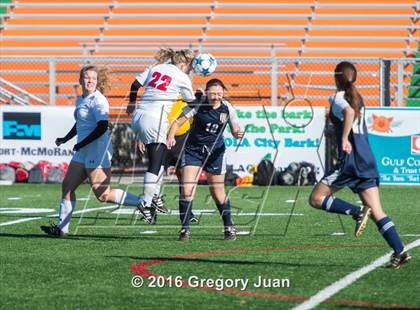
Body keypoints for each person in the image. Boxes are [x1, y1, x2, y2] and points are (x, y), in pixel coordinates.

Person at [308, 61, 411, 269]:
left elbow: (349, 114)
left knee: (316, 199)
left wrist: (344, 138)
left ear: (336, 77)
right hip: (366, 159)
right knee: (377, 211)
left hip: (351, 161)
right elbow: (353, 114)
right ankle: (400, 251)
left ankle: (356, 212)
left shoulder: (337, 97)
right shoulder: (358, 97)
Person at [41, 65, 143, 237]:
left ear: (97, 81)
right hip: (84, 150)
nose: (90, 81)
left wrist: (81, 144)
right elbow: (81, 123)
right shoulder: (81, 99)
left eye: (93, 78)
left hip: (97, 150)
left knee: (102, 194)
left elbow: (102, 127)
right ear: (80, 80)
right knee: (67, 187)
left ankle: (144, 203)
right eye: (87, 77)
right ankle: (62, 230)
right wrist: (66, 138)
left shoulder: (99, 100)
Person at [126, 48, 201, 224]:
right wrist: (198, 97)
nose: (189, 72)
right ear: (183, 65)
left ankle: (154, 197)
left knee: (157, 163)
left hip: (138, 117)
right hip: (156, 119)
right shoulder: (182, 77)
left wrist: (131, 103)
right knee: (156, 163)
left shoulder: (155, 68)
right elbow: (192, 104)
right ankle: (146, 202)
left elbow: (135, 85)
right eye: (189, 68)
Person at [167, 78, 244, 241]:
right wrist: (171, 136)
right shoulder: (198, 104)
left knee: (217, 192)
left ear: (223, 93)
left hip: (215, 153)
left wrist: (238, 132)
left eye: (219, 93)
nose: (216, 97)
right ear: (207, 92)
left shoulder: (227, 108)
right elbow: (177, 122)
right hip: (193, 151)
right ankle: (185, 229)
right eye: (212, 93)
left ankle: (229, 226)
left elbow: (235, 126)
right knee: (187, 190)